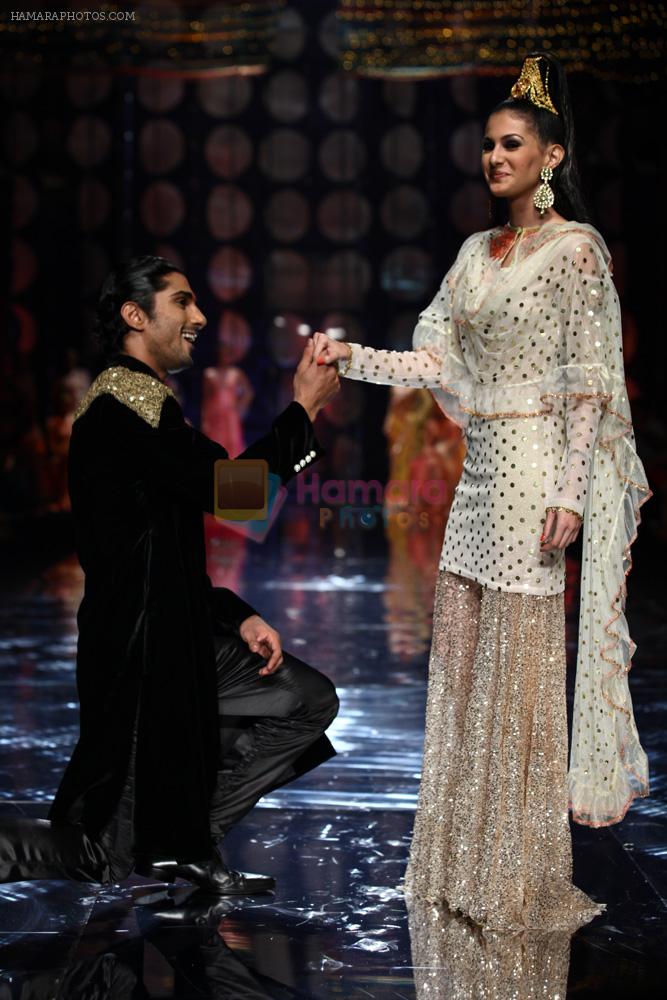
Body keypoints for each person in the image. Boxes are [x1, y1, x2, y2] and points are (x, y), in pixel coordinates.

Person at [313, 53, 650, 930]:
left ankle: (514, 874)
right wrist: (348, 358)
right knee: (463, 675)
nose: (495, 157)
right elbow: (435, 364)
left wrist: (572, 494)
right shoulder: (472, 255)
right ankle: (462, 865)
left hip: (538, 473)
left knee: (521, 682)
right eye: (489, 146)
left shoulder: (575, 252)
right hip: (477, 485)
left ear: (551, 158)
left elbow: (587, 388)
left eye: (512, 144)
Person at [1, 256, 340, 896]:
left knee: (305, 699)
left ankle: (185, 843)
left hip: (173, 637)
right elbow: (235, 493)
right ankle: (170, 843)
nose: (200, 316)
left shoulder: (150, 405)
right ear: (135, 316)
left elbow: (163, 544)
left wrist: (235, 613)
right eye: (182, 302)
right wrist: (303, 410)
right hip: (141, 657)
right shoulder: (123, 406)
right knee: (96, 855)